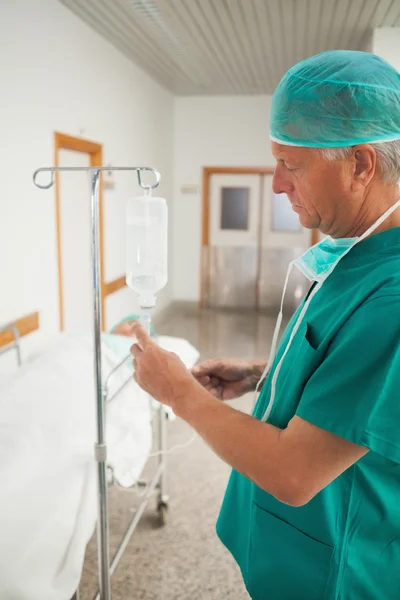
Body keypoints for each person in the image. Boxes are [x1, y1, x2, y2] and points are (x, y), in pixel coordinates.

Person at [130, 50, 400, 599]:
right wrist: (262, 373)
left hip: (336, 571)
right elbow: (357, 377)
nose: (277, 184)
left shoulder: (391, 296)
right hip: (291, 550)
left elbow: (294, 474)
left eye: (292, 164)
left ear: (362, 164)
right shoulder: (354, 258)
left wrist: (180, 394)